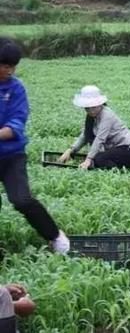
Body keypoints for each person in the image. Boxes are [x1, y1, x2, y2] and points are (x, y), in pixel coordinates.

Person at [0, 38, 69, 254]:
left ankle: (55, 237)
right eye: (5, 65)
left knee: (21, 199)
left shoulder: (16, 89)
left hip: (11, 156)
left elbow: (15, 125)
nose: (10, 70)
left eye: (12, 66)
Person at [58, 86, 130, 170]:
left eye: (94, 107)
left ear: (100, 104)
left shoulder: (107, 115)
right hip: (118, 149)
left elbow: (100, 138)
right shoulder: (91, 116)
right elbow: (85, 135)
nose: (91, 111)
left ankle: (119, 173)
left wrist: (88, 159)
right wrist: (71, 150)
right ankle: (116, 168)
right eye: (87, 108)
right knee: (96, 158)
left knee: (98, 159)